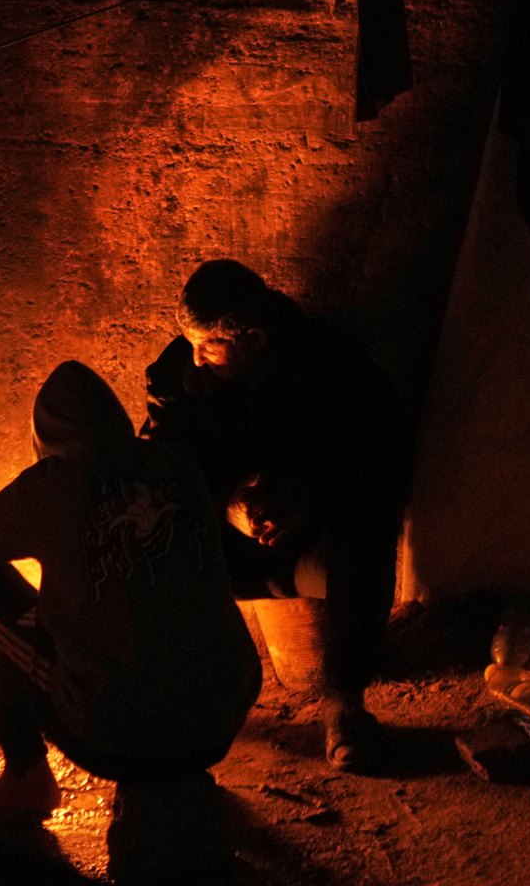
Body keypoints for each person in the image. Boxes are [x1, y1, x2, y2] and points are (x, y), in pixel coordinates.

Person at [0, 361, 260, 832]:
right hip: (221, 719)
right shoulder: (178, 467)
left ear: (45, 440)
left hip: (112, 734)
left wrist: (19, 510)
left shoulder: (55, 482)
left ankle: (26, 776)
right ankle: (177, 767)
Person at [141, 260, 417, 771]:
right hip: (229, 550)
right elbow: (157, 467)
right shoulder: (180, 377)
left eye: (208, 346)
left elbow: (386, 453)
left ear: (254, 339)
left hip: (314, 547)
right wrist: (224, 504)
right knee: (151, 531)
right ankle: (181, 701)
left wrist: (310, 497)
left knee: (368, 524)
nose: (196, 360)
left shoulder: (329, 363)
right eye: (191, 344)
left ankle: (344, 708)